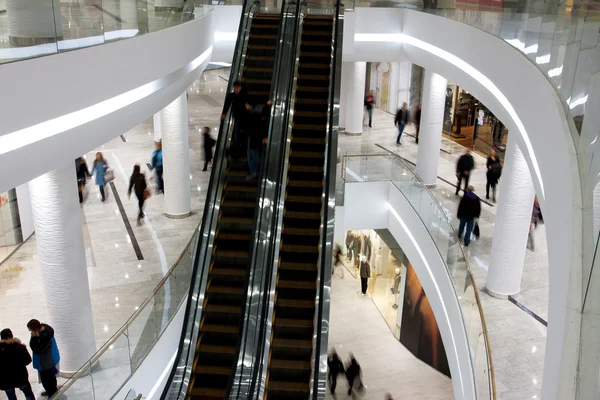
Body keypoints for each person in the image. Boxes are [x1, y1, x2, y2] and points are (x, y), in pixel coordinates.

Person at [27, 320, 59, 397]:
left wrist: (33, 337)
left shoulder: (42, 338)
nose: (31, 332)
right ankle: (52, 391)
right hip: (50, 359)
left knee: (46, 379)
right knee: (51, 376)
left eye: (31, 330)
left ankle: (51, 394)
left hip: (45, 362)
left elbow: (35, 348)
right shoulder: (47, 329)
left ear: (35, 329)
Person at [0, 329, 35, 400]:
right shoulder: (19, 347)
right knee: (28, 394)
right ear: (11, 336)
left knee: (11, 397)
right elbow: (28, 361)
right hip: (20, 377)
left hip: (5, 379)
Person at [222, 81, 249, 156]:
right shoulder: (231, 95)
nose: (236, 89)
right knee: (237, 133)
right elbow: (227, 104)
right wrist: (224, 113)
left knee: (242, 133)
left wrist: (248, 106)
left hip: (245, 118)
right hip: (237, 118)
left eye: (238, 88)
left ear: (240, 88)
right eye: (235, 88)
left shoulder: (244, 95)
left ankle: (241, 148)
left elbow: (248, 103)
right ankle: (237, 150)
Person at [246, 101, 271, 181]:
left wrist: (264, 137)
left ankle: (256, 171)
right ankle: (254, 171)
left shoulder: (256, 113)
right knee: (250, 153)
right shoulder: (253, 113)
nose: (246, 106)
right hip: (252, 136)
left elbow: (261, 124)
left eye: (246, 104)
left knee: (253, 153)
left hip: (255, 136)